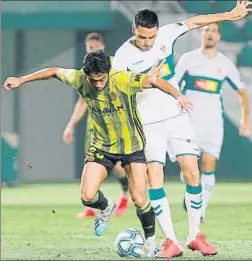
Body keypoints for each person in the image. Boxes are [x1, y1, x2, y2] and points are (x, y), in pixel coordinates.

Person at [3, 50, 192, 257]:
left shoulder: (121, 78)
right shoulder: (79, 78)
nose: (99, 84)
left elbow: (153, 81)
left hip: (132, 147)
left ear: (108, 73)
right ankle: (106, 206)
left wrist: (179, 95)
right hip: (102, 146)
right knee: (87, 196)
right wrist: (22, 80)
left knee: (140, 199)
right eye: (95, 80)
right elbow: (54, 71)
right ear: (87, 74)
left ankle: (150, 243)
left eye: (102, 79)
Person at [112, 1, 252, 258]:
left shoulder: (166, 34)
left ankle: (194, 235)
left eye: (151, 37)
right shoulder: (122, 57)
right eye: (142, 37)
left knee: (193, 173)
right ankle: (171, 241)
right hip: (148, 124)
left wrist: (231, 16)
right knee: (155, 177)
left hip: (177, 116)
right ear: (134, 29)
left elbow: (196, 21)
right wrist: (145, 83)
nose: (147, 42)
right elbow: (119, 90)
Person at [175, 23, 250, 222]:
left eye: (214, 31)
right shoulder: (188, 60)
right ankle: (190, 190)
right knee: (189, 167)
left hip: (213, 121)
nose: (209, 34)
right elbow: (173, 86)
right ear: (201, 34)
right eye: (206, 30)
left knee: (209, 162)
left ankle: (201, 211)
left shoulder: (225, 64)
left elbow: (241, 91)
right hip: (188, 120)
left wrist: (245, 118)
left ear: (218, 37)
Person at [62, 32, 129, 218]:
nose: (93, 50)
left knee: (117, 167)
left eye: (96, 47)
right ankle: (92, 205)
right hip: (95, 126)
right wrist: (71, 125)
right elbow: (82, 101)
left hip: (116, 123)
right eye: (90, 48)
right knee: (91, 163)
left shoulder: (116, 64)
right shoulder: (85, 72)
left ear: (103, 46)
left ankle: (126, 194)